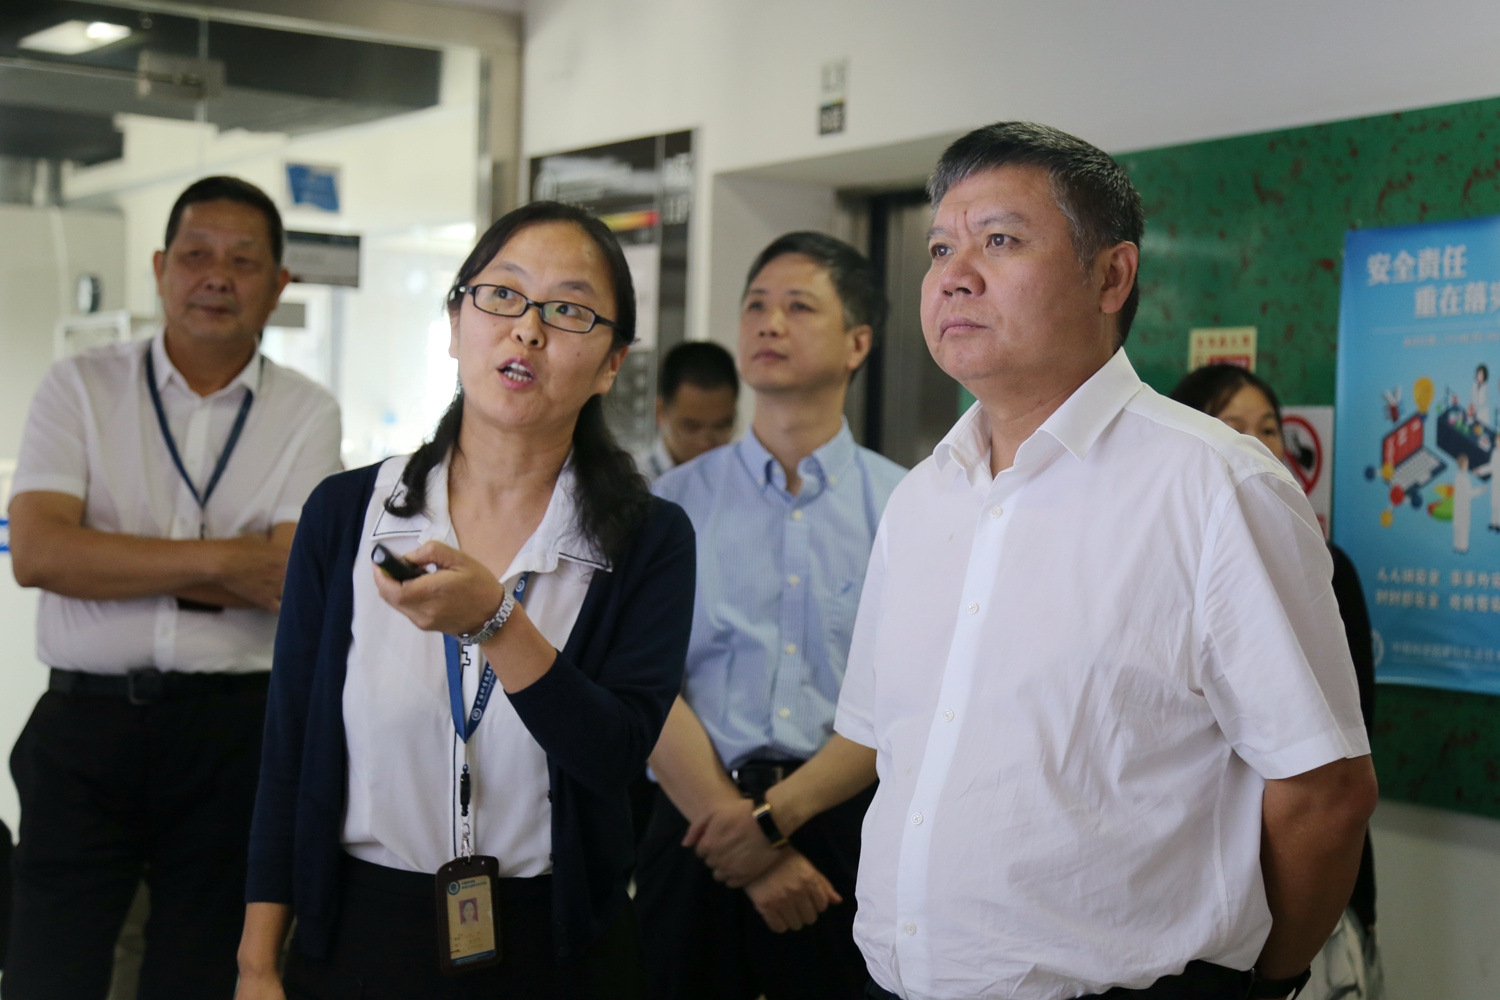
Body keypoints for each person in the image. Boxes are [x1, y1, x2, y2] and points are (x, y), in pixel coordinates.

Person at [837, 122, 1377, 1000]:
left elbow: (1326, 791)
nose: (955, 275)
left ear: (1111, 276)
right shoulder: (921, 498)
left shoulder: (1216, 486)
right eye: (940, 248)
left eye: (999, 240)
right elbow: (890, 751)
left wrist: (1262, 985)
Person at [235, 201, 696, 1000]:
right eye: (502, 295)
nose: (527, 330)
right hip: (365, 931)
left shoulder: (649, 538)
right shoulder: (348, 514)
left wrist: (495, 622)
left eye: (569, 310)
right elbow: (289, 750)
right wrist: (256, 963)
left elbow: (614, 756)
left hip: (558, 946)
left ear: (611, 364)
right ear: (455, 323)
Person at [4, 175, 342, 998]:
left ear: (279, 285)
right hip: (84, 726)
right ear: (160, 268)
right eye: (196, 255)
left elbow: (288, 578)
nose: (216, 277)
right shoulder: (80, 387)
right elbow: (40, 555)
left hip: (234, 733)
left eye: (242, 261)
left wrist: (113, 561)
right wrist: (226, 560)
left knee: (200, 972)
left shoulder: (306, 411)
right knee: (48, 968)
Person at [638, 232, 904, 1000]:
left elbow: (908, 699)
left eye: (798, 307)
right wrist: (743, 835)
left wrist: (772, 824)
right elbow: (643, 683)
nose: (769, 322)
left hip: (843, 826)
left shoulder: (908, 506)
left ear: (858, 342)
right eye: (756, 305)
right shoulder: (668, 507)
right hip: (693, 820)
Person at [1170, 363, 1382, 1000]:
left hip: (1300, 896)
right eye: (1232, 425)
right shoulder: (1165, 556)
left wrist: (1277, 975)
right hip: (1197, 899)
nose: (1256, 444)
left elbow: (1338, 769)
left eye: (1269, 429)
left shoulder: (1324, 566)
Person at [635, 340, 740, 482]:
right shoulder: (632, 483)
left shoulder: (745, 481)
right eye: (692, 427)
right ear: (661, 412)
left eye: (721, 427)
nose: (705, 443)